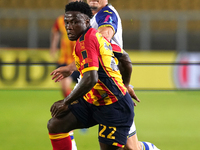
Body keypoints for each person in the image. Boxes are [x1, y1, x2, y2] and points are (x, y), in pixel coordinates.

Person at [51, 0, 160, 150]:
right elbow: (123, 59)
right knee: (58, 123)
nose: (69, 26)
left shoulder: (106, 16)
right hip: (92, 93)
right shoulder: (87, 29)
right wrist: (71, 67)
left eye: (73, 22)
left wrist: (124, 86)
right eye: (67, 22)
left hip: (111, 94)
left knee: (132, 148)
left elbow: (106, 34)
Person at [50, 1, 82, 150]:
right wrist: (53, 47)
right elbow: (55, 33)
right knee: (64, 86)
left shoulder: (83, 20)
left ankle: (78, 113)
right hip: (64, 60)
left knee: (84, 89)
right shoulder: (59, 20)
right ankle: (70, 111)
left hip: (79, 61)